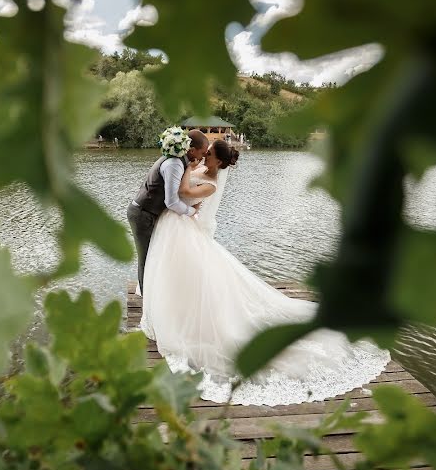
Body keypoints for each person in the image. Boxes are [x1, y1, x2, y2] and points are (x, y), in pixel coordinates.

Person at [140, 140, 390, 406]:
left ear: (220, 163)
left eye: (210, 155)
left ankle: (186, 322)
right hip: (177, 229)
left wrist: (186, 166)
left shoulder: (210, 184)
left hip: (185, 231)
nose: (205, 156)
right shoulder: (202, 171)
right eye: (207, 152)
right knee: (176, 275)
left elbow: (182, 191)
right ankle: (175, 312)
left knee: (193, 276)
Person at [127, 129, 209, 296]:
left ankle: (155, 297)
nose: (203, 157)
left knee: (155, 256)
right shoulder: (174, 164)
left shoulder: (180, 162)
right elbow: (171, 202)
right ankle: (146, 301)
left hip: (149, 213)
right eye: (202, 152)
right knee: (146, 259)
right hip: (142, 214)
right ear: (192, 150)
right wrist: (192, 211)